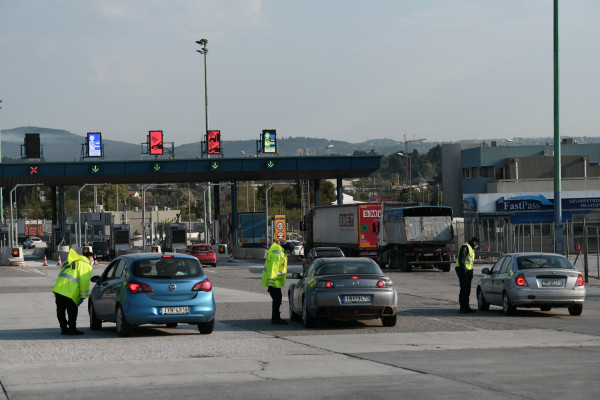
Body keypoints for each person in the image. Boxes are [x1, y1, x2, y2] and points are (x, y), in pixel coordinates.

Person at [52, 248, 94, 335]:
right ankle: (72, 329)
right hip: (70, 290)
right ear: (90, 258)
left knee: (60, 310)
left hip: (59, 288)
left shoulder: (69, 261)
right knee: (72, 311)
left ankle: (63, 328)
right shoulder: (85, 265)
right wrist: (83, 296)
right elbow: (84, 281)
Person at [262, 241, 295, 325]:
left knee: (277, 300)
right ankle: (276, 319)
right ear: (287, 249)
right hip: (274, 282)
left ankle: (275, 318)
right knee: (277, 300)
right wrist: (272, 283)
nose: (290, 253)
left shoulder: (281, 253)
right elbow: (273, 269)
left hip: (276, 282)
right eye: (290, 251)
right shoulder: (277, 254)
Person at [455, 236, 480, 314]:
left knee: (467, 290)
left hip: (468, 271)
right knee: (464, 289)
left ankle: (467, 307)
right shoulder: (465, 247)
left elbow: (470, 262)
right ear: (474, 241)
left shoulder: (471, 248)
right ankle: (462, 307)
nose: (477, 245)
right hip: (462, 270)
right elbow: (461, 260)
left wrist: (470, 271)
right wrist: (465, 270)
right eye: (477, 243)